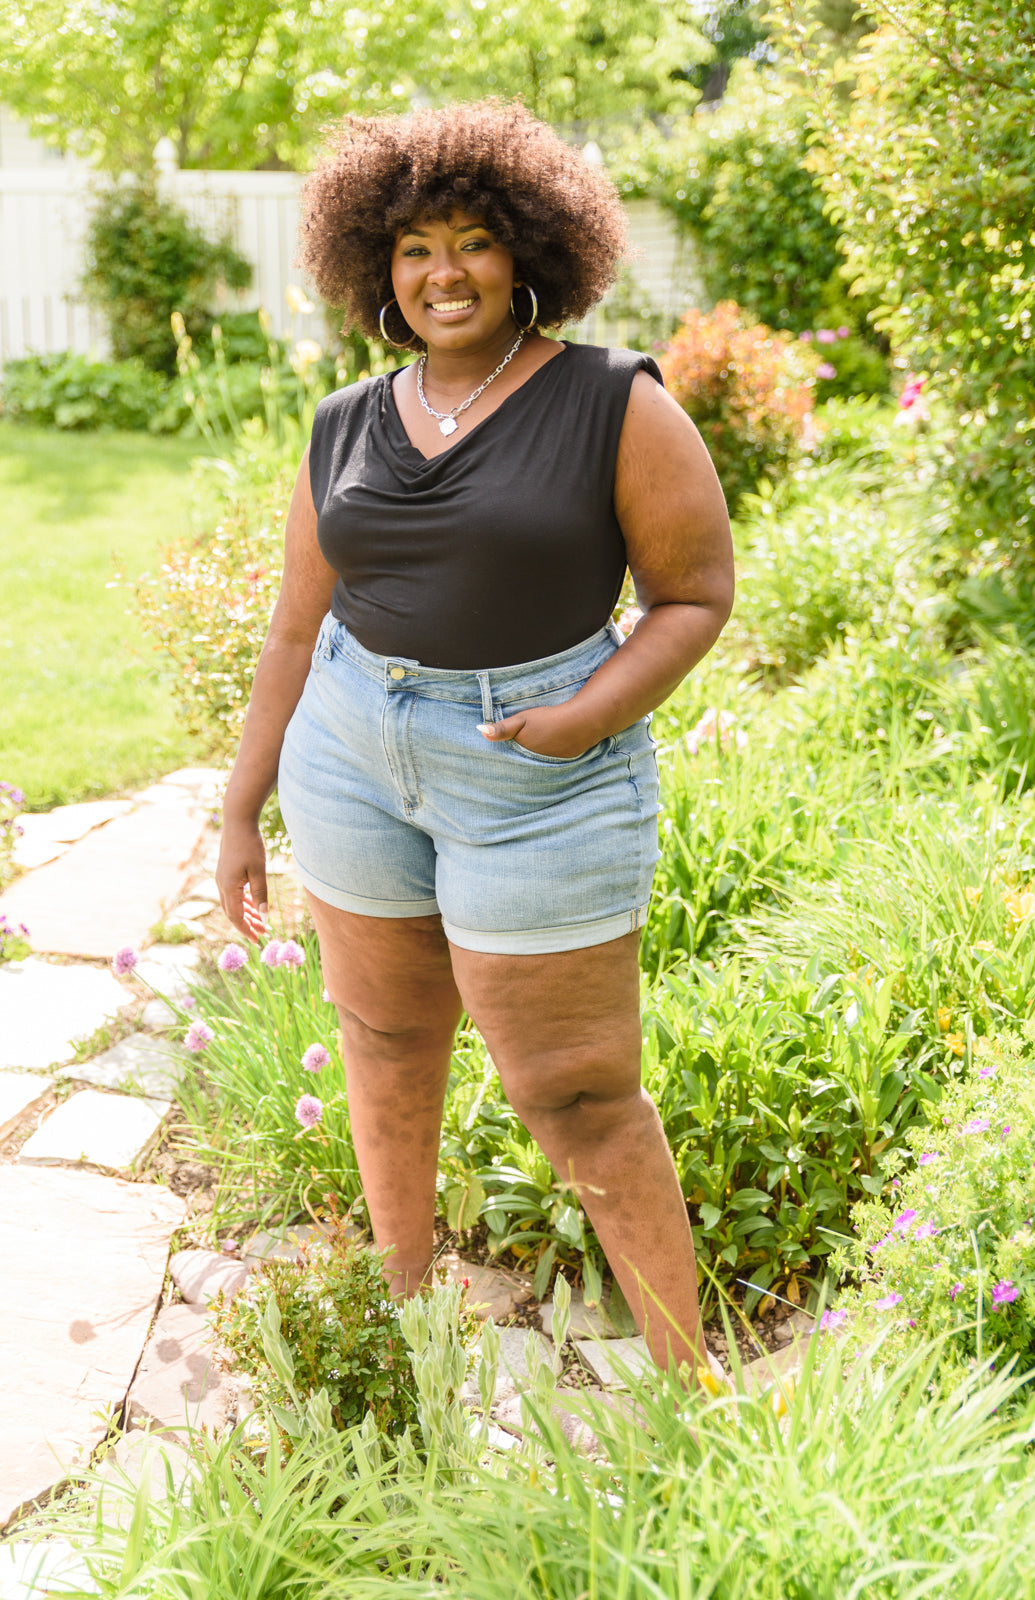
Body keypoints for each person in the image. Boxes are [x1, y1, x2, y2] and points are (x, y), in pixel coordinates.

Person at [217, 100, 734, 1378]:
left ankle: (695, 1389)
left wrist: (585, 718)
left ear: (527, 251)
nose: (443, 273)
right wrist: (239, 805)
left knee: (577, 1091)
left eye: (472, 242)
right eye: (413, 249)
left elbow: (694, 595)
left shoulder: (612, 401)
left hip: (536, 773)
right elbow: (295, 629)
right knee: (386, 1043)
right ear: (377, 269)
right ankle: (405, 1333)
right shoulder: (345, 420)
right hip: (352, 756)